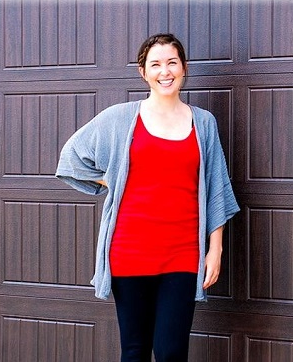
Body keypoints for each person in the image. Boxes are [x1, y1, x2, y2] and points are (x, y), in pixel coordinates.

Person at [55, 33, 240, 362]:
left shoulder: (203, 123)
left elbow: (215, 186)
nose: (164, 71)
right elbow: (72, 158)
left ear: (183, 68)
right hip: (129, 252)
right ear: (143, 72)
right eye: (155, 64)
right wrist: (112, 180)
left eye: (172, 62)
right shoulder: (120, 118)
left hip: (182, 254)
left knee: (171, 351)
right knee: (135, 350)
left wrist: (216, 248)